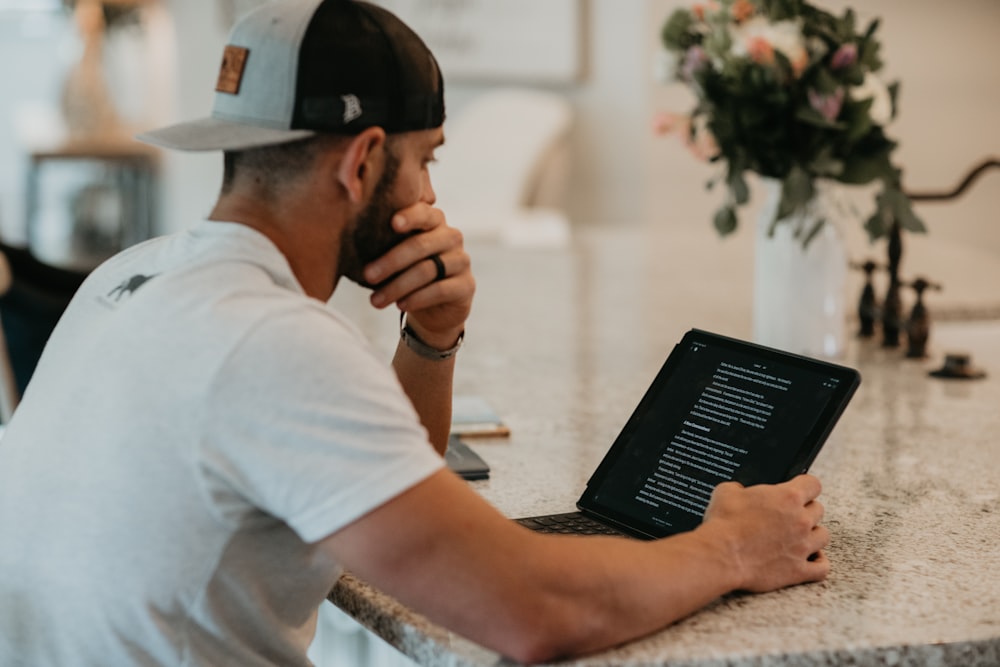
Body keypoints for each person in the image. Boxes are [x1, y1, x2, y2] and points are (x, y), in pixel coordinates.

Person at [0, 1, 830, 665]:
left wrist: (432, 336)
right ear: (360, 161)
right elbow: (532, 610)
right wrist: (731, 547)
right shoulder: (271, 342)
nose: (431, 193)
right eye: (425, 157)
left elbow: (389, 489)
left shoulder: (132, 275)